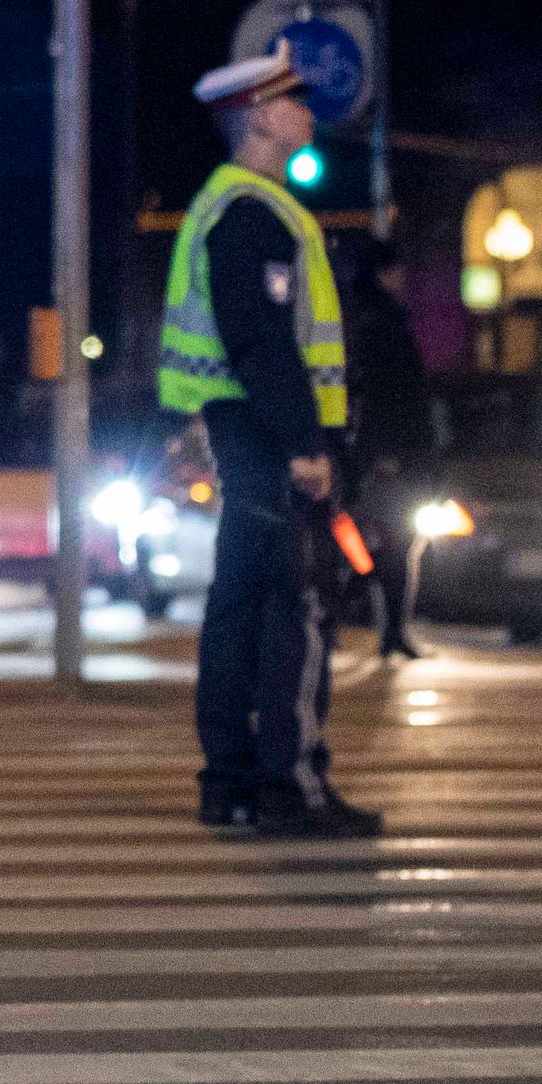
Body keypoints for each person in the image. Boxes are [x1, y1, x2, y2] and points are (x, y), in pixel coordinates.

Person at [163, 52, 383, 836]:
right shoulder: (253, 212)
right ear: (259, 115)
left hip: (242, 429)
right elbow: (262, 339)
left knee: (241, 605)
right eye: (294, 100)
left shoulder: (231, 206)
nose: (308, 112)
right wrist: (304, 444)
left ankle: (231, 783)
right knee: (296, 608)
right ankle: (292, 787)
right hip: (267, 434)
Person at [342, 235, 436, 661]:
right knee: (393, 543)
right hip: (392, 453)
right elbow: (390, 394)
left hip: (392, 451)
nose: (403, 278)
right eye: (397, 271)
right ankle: (384, 625)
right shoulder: (380, 322)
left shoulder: (375, 318)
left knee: (393, 542)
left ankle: (388, 627)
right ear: (383, 273)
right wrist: (385, 451)